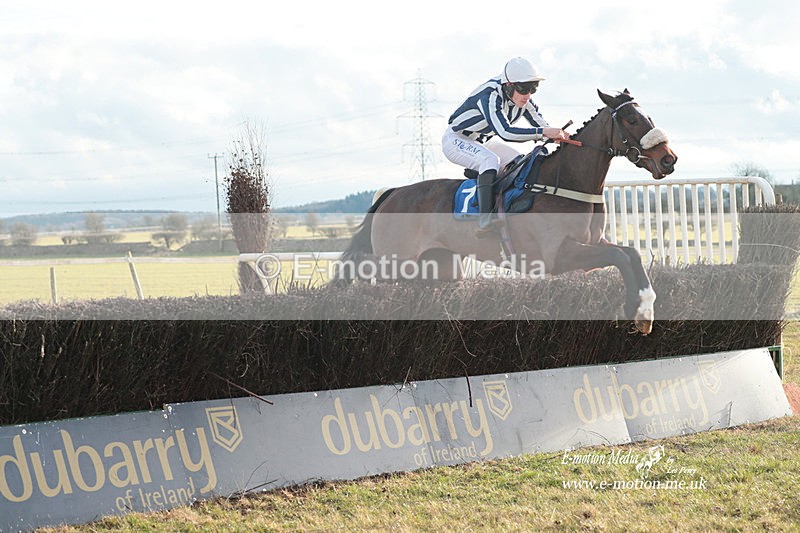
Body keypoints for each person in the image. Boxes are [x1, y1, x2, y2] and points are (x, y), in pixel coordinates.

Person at [443, 57, 570, 236]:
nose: (528, 95)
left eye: (533, 88)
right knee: (490, 160)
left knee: (520, 162)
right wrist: (544, 133)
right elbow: (506, 132)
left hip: (484, 142)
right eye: (524, 89)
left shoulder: (524, 100)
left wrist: (559, 136)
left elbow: (541, 124)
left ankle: (509, 211)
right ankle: (484, 220)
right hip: (456, 140)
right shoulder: (490, 95)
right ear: (508, 85)